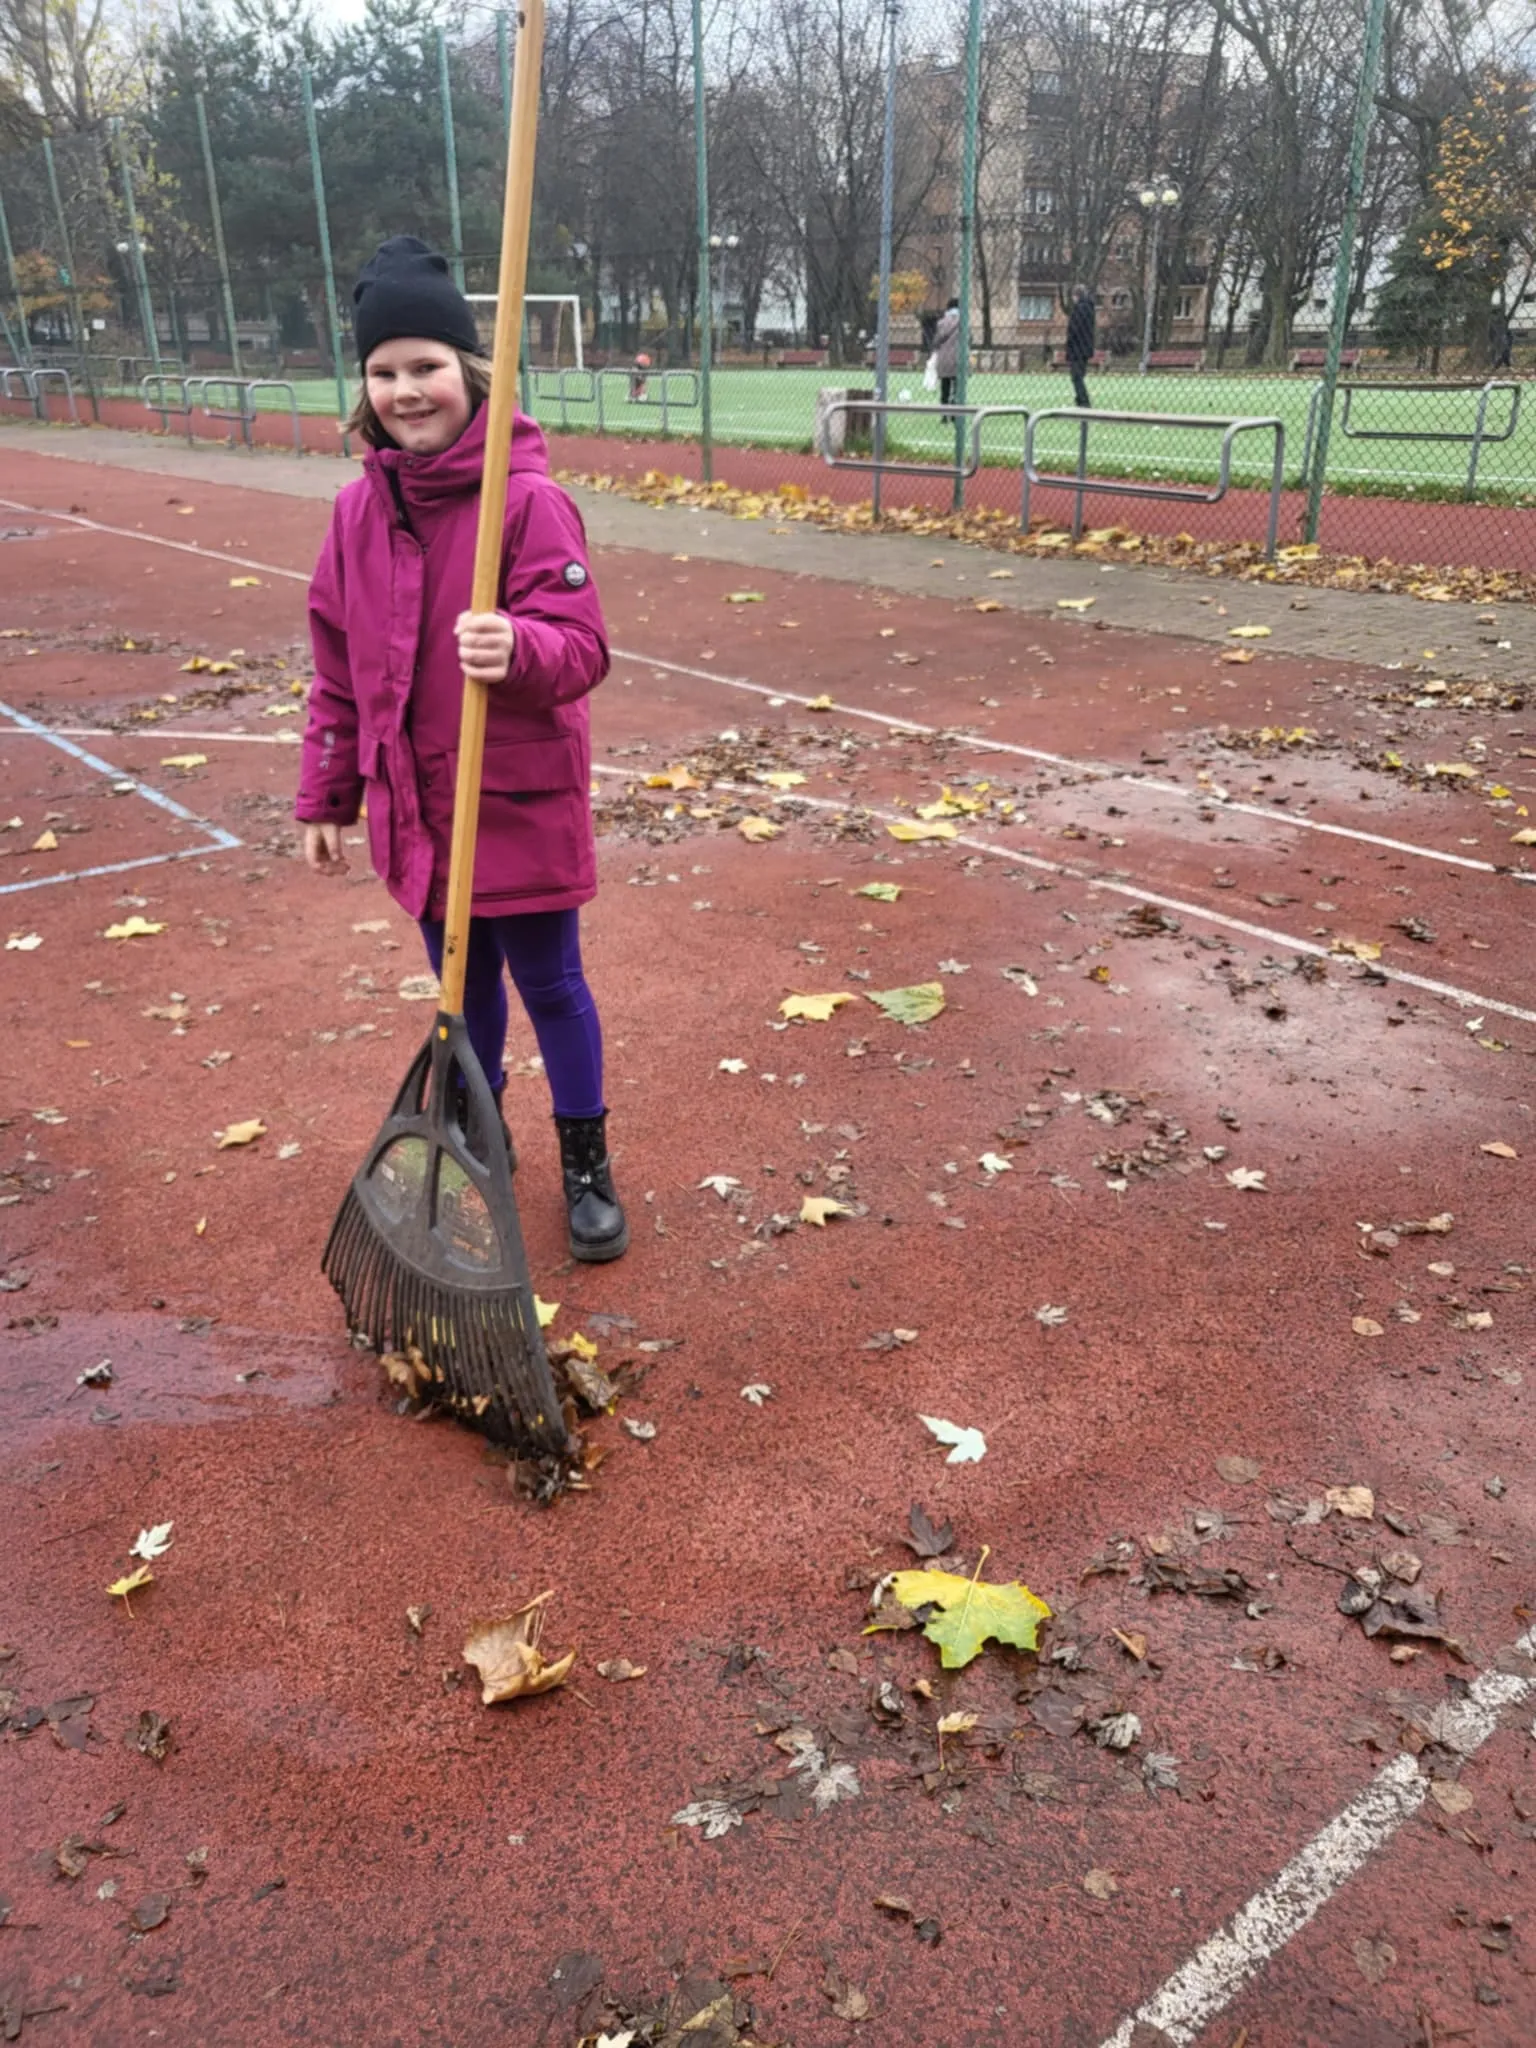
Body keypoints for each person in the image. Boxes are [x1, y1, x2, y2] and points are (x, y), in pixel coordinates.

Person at [295, 235, 627, 1264]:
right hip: (422, 810)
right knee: (461, 992)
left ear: (470, 373)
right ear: (363, 385)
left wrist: (518, 644)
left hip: (518, 803)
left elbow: (583, 649)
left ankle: (587, 1162)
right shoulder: (357, 515)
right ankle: (479, 1143)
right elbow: (339, 668)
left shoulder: (524, 502)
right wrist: (327, 793)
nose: (407, 388)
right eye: (385, 370)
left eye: (426, 365)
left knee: (552, 983)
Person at [1066, 286, 1096, 408]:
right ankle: (1080, 398)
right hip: (1085, 347)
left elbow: (1074, 329)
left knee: (1076, 376)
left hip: (1077, 348)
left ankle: (1083, 400)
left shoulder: (1079, 309)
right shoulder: (1090, 308)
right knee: (1080, 374)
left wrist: (1069, 342)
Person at [932, 296, 961, 407]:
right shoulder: (963, 321)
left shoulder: (941, 323)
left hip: (944, 357)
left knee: (945, 386)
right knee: (957, 388)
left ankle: (944, 413)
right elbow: (969, 338)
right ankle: (955, 412)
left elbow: (937, 340)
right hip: (958, 357)